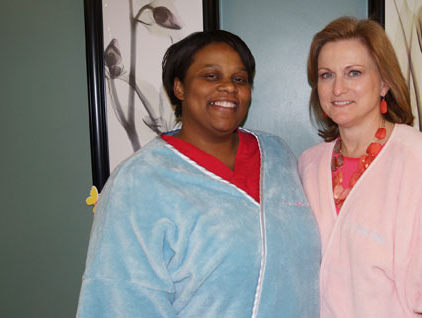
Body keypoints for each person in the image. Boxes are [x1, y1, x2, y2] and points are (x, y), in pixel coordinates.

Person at [77, 30, 320, 317]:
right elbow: (117, 300)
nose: (229, 87)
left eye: (239, 79)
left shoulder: (278, 155)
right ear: (179, 87)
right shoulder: (138, 182)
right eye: (211, 76)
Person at [298, 17, 422, 318]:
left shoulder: (421, 162)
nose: (338, 88)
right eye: (326, 75)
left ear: (385, 83)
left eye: (354, 73)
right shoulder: (307, 167)